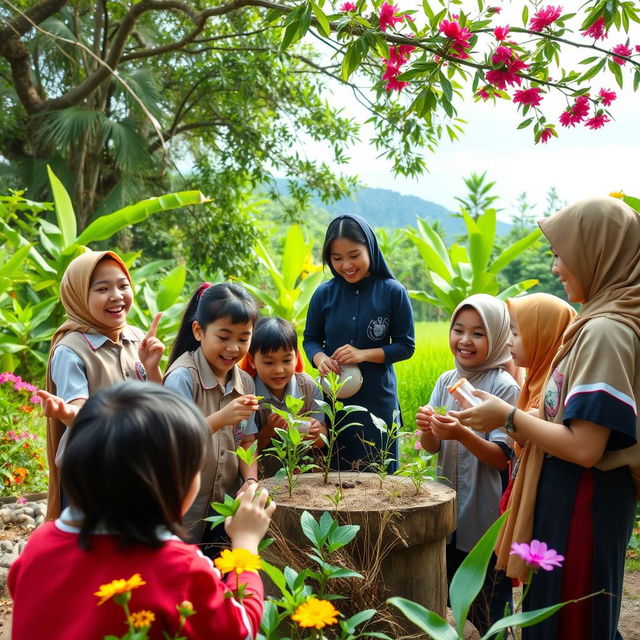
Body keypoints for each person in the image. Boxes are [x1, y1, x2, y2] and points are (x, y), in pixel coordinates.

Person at [453, 197, 640, 640]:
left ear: (597, 251)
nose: (556, 267)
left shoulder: (606, 331)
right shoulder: (595, 323)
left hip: (582, 502)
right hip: (572, 497)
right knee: (551, 614)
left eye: (561, 254)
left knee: (568, 620)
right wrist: (515, 412)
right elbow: (569, 415)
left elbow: (585, 446)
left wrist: (509, 417)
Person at [9, 383, 274, 640]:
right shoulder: (179, 568)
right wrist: (246, 543)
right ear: (171, 485)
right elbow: (241, 629)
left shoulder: (39, 545)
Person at [416, 293, 520, 634]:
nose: (465, 340)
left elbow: (502, 457)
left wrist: (462, 434)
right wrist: (427, 427)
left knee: (487, 601)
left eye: (478, 333)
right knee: (451, 597)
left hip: (486, 509)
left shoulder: (503, 387)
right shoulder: (446, 380)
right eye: (458, 330)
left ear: (498, 337)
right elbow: (430, 447)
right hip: (450, 506)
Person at [39, 250, 165, 519]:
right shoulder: (71, 349)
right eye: (102, 289)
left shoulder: (136, 338)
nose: (117, 295)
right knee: (93, 550)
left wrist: (152, 367)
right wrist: (67, 413)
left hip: (136, 464)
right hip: (91, 472)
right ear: (78, 297)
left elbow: (161, 400)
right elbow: (79, 407)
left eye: (123, 285)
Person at [303, 214, 415, 472]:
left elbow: (405, 346)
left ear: (371, 249)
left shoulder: (393, 291)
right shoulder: (324, 293)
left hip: (378, 400)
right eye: (337, 258)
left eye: (354, 255)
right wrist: (320, 358)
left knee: (377, 477)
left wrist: (363, 354)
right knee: (333, 475)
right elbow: (310, 339)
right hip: (334, 403)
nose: (346, 265)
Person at [164, 282, 260, 547]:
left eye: (243, 339)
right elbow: (175, 440)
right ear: (198, 331)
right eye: (224, 336)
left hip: (224, 510)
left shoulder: (246, 384)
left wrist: (250, 479)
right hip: (183, 510)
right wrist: (221, 418)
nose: (233, 348)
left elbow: (248, 441)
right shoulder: (182, 377)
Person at [498, 293, 577, 514]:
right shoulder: (533, 379)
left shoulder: (553, 388)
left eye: (515, 332)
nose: (508, 341)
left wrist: (497, 414)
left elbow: (523, 433)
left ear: (543, 335)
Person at [243, 316, 327, 477]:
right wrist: (270, 430)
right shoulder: (249, 393)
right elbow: (246, 449)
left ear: (296, 357)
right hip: (265, 478)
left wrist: (315, 433)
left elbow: (322, 440)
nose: (279, 370)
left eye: (287, 360)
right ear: (252, 361)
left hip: (304, 477)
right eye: (269, 362)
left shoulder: (308, 387)